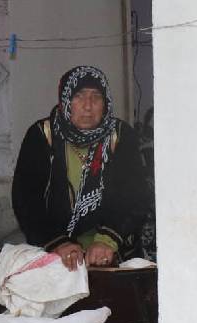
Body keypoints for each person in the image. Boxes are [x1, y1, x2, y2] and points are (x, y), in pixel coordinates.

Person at [12, 65, 152, 271]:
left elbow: (135, 195)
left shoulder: (120, 136)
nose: (88, 106)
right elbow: (26, 200)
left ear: (105, 103)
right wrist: (57, 243)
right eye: (79, 96)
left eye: (96, 97)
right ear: (65, 100)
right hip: (57, 253)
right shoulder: (42, 136)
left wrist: (107, 240)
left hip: (113, 252)